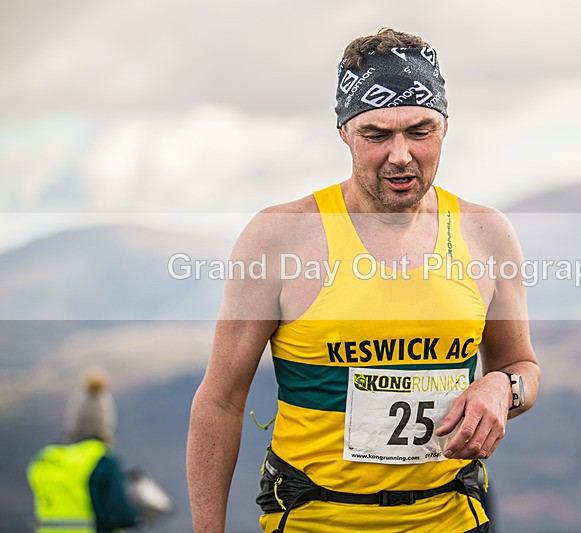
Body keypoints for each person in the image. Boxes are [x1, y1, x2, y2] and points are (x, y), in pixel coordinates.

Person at [187, 28, 540, 533]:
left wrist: (500, 388)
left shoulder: (486, 233)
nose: (400, 155)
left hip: (453, 519)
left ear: (444, 128)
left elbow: (521, 366)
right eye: (377, 135)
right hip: (315, 521)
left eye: (419, 131)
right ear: (344, 134)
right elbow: (220, 400)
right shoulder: (281, 237)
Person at [27, 367, 140, 533]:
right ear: (104, 422)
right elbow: (121, 516)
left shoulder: (45, 459)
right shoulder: (102, 459)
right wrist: (136, 509)